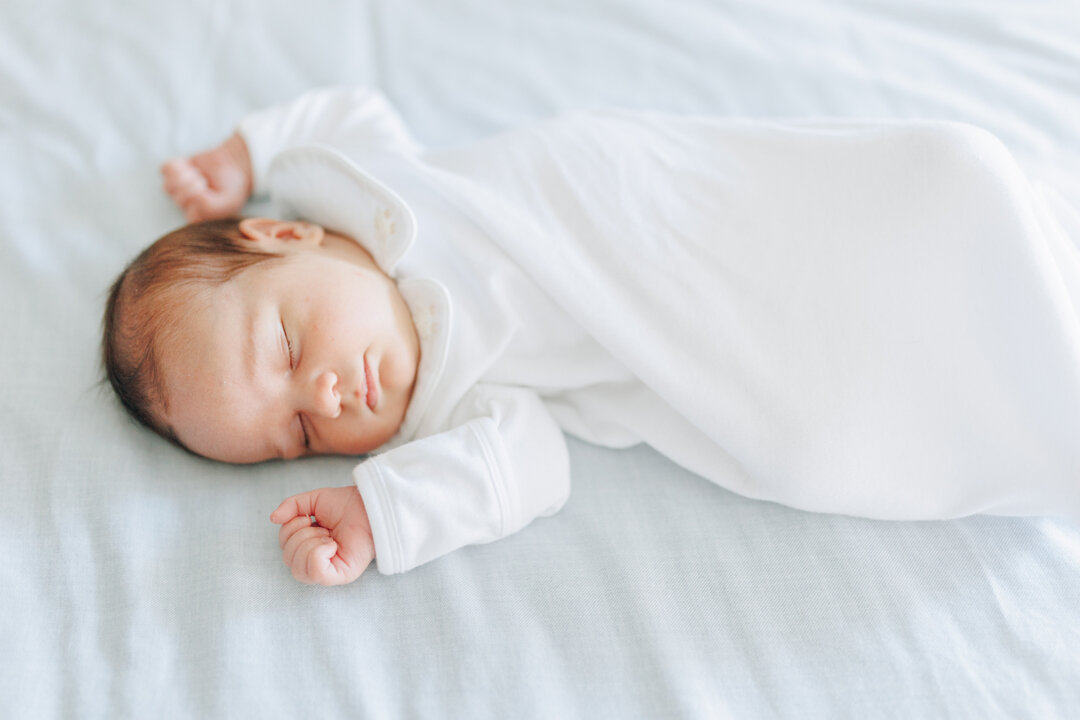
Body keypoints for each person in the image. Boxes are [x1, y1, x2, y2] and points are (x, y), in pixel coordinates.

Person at [104, 87, 1080, 586]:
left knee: (938, 191)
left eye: (282, 352)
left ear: (283, 233)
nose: (321, 397)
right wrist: (381, 515)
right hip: (715, 327)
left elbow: (345, 106)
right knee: (822, 435)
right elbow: (526, 469)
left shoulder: (360, 183)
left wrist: (249, 151)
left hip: (679, 199)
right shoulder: (450, 399)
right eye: (299, 437)